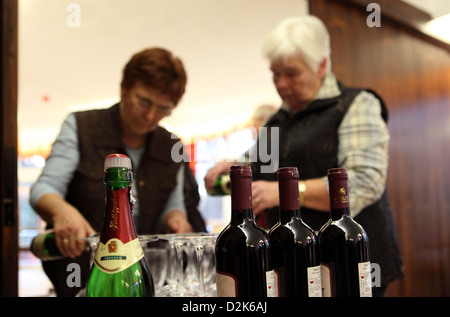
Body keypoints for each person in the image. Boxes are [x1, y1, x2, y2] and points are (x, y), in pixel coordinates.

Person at [204, 16, 403, 296]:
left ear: (321, 65)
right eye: (275, 74)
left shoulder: (356, 105)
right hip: (293, 259)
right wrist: (230, 166)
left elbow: (365, 181)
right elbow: (255, 163)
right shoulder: (277, 120)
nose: (281, 84)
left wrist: (286, 192)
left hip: (350, 259)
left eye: (292, 73)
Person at [30, 47, 205, 296]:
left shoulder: (172, 145)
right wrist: (62, 211)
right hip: (84, 274)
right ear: (124, 89)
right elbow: (44, 188)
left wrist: (177, 220)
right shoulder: (82, 126)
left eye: (162, 109)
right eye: (143, 101)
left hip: (143, 277)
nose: (149, 115)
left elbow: (173, 205)